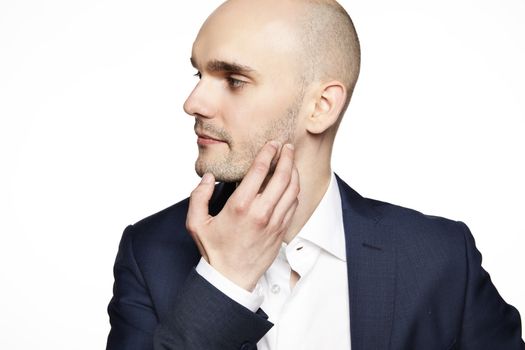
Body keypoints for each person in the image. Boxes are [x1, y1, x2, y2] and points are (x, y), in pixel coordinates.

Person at [106, 0, 524, 349]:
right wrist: (223, 283)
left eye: (233, 79)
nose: (193, 102)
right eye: (200, 74)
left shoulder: (441, 258)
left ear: (322, 106)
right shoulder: (149, 252)